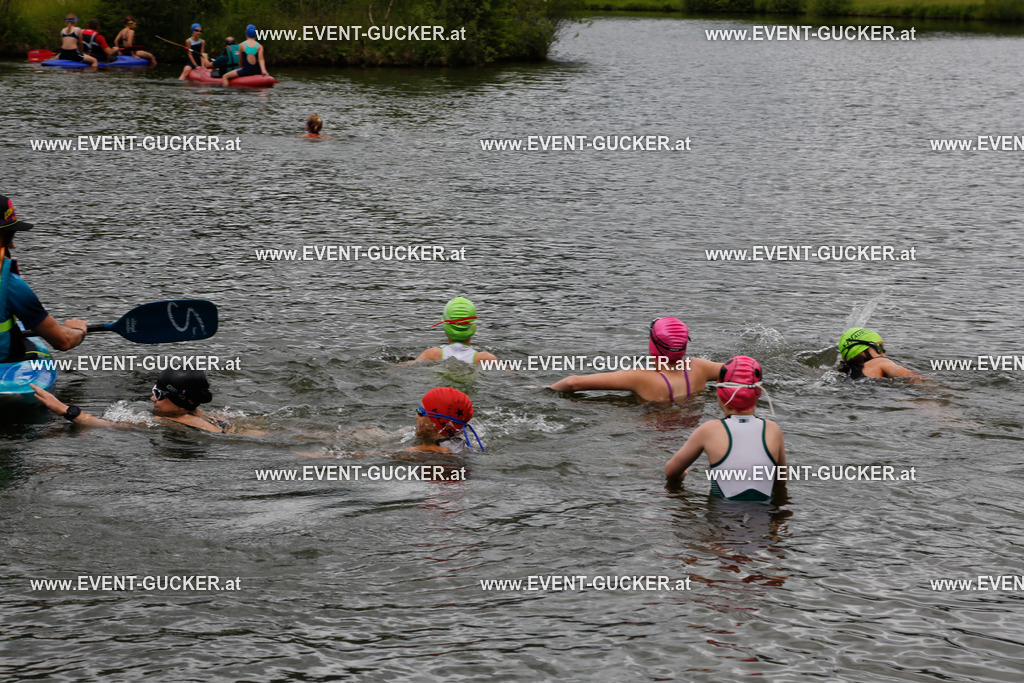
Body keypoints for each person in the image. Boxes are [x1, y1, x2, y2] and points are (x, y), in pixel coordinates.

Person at [665, 356, 786, 502]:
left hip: (723, 518)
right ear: (758, 392)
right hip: (763, 518)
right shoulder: (773, 430)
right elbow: (780, 480)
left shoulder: (709, 430)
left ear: (720, 391)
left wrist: (682, 475)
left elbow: (671, 471)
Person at [548, 317, 723, 402]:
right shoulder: (701, 367)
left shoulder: (640, 377)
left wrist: (544, 389)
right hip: (686, 424)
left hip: (654, 429)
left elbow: (572, 383)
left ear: (653, 345)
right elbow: (743, 366)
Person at [1, 195, 88, 362]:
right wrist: (78, 330)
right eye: (8, 236)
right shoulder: (10, 286)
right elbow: (63, 341)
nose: (11, 244)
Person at [32, 369, 234, 433]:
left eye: (160, 394)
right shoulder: (215, 418)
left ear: (180, 400)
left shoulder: (171, 422)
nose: (152, 398)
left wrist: (65, 410)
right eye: (154, 391)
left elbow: (110, 425)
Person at [411, 297, 498, 365]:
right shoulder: (484, 358)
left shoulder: (432, 354)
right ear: (473, 328)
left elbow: (404, 366)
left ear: (445, 327)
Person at [410, 387, 484, 453]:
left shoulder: (441, 451)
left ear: (435, 422)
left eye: (420, 411)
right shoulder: (455, 443)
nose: (416, 416)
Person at [838, 327, 919, 380]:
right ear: (861, 350)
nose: (884, 355)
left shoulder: (842, 374)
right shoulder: (879, 362)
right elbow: (915, 379)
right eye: (879, 348)